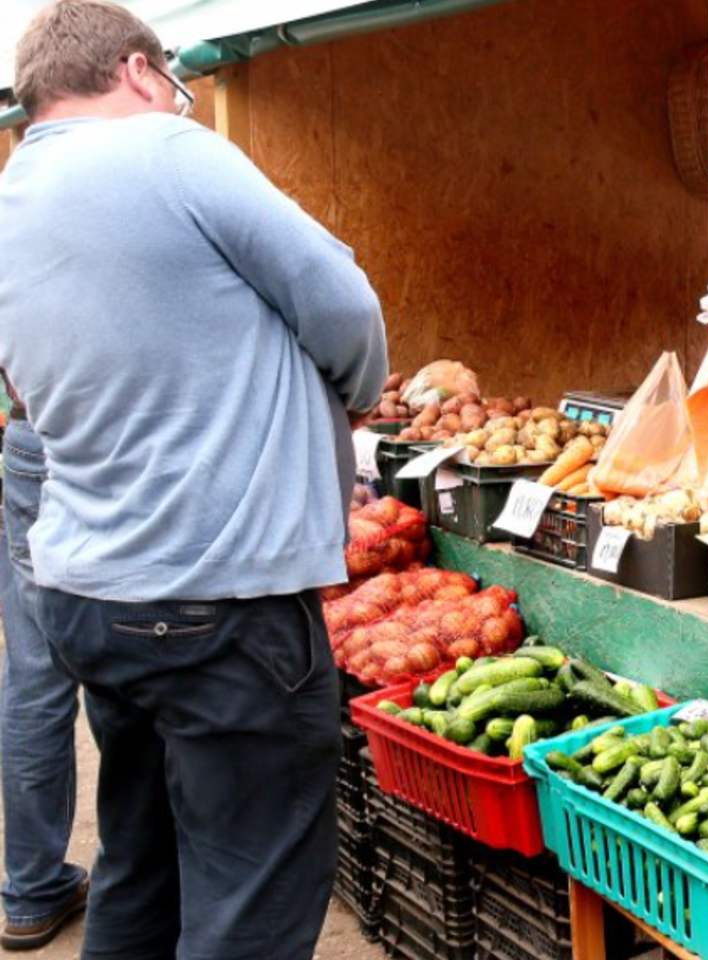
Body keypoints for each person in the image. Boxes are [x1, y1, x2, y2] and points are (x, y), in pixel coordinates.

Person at [0, 3, 388, 959]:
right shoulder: (166, 147)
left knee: (143, 863)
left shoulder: (11, 202)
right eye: (171, 77)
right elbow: (342, 302)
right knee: (252, 895)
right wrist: (358, 396)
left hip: (93, 595)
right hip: (220, 609)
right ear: (138, 69)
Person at [0, 380, 87, 952]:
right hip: (119, 428)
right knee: (136, 650)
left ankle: (31, 892)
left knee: (35, 674)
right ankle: (151, 875)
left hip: (34, 427)